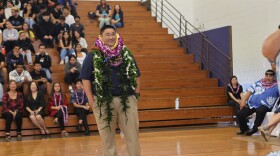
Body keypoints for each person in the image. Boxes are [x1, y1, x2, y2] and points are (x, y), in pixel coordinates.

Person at [81, 25, 141, 156]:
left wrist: (136, 95)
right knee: (107, 139)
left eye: (113, 34)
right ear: (101, 36)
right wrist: (92, 101)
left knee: (132, 136)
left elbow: (136, 74)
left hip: (127, 100)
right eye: (107, 34)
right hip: (103, 102)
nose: (111, 37)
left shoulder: (126, 53)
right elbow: (85, 79)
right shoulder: (92, 55)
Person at [236, 69, 279, 136]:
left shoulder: (277, 86)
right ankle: (244, 130)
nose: (268, 77)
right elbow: (249, 92)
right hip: (252, 105)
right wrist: (243, 101)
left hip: (265, 106)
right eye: (267, 75)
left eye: (270, 75)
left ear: (274, 77)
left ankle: (254, 129)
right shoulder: (258, 83)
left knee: (260, 110)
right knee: (240, 113)